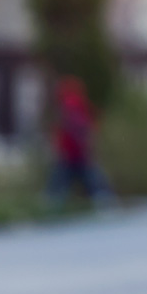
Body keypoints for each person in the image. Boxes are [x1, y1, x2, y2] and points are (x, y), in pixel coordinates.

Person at [46, 75, 114, 210]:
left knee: (67, 179)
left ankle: (52, 203)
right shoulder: (79, 103)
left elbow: (75, 125)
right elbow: (89, 125)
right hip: (76, 151)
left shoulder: (70, 103)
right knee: (90, 178)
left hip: (72, 151)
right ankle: (105, 201)